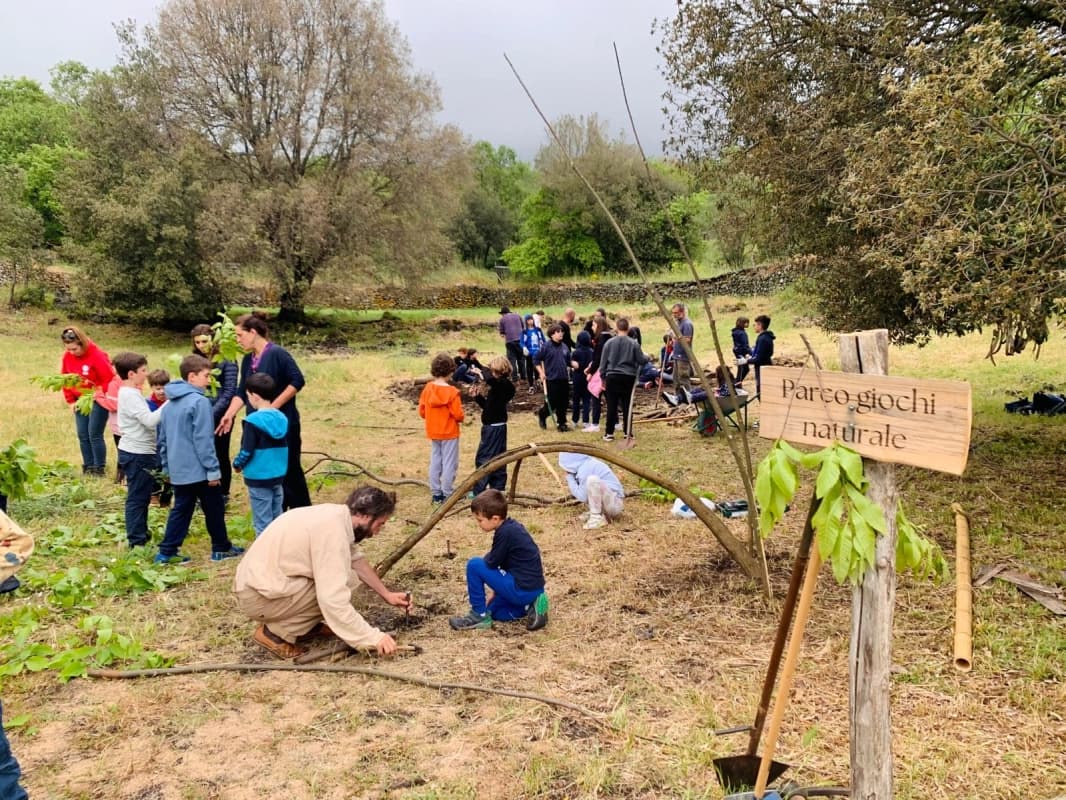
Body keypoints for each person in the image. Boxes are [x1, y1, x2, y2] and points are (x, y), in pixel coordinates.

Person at [233, 485, 412, 659]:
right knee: (339, 584)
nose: (378, 532)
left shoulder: (335, 515)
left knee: (348, 576)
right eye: (380, 524)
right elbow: (332, 599)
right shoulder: (332, 532)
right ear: (365, 516)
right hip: (259, 597)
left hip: (265, 585)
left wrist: (386, 594)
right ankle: (276, 633)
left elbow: (355, 559)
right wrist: (372, 637)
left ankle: (305, 626)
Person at [156, 354, 244, 564]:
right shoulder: (200, 402)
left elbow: (163, 441)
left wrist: (167, 468)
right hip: (200, 470)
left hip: (180, 470)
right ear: (192, 376)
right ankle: (220, 548)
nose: (209, 380)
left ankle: (167, 551)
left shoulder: (168, 405)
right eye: (206, 375)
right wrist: (213, 470)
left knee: (182, 508)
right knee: (213, 507)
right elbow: (204, 440)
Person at [219, 313, 311, 510]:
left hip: (282, 422)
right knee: (268, 469)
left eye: (239, 335)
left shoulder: (277, 353)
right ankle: (278, 515)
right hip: (257, 426)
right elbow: (242, 390)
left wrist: (270, 409)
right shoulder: (247, 360)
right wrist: (229, 414)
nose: (237, 340)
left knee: (289, 469)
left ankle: (301, 513)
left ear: (253, 332)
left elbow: (297, 381)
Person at [448, 489, 548, 631]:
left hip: (521, 588)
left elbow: (491, 562)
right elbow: (504, 562)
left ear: (495, 518)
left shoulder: (504, 533)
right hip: (532, 588)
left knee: (474, 565)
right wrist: (498, 589)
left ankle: (478, 615)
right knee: (495, 612)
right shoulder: (512, 527)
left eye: (480, 520)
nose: (479, 524)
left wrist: (493, 578)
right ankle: (531, 606)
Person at [114, 352, 163, 548]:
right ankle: (136, 540)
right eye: (143, 370)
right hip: (137, 453)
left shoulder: (131, 393)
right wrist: (169, 403)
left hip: (138, 451)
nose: (146, 374)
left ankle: (140, 532)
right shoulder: (130, 395)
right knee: (138, 498)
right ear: (132, 374)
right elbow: (150, 421)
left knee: (141, 496)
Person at [233, 373, 289, 536]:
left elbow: (247, 450)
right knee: (276, 516)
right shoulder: (282, 418)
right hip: (278, 473)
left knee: (262, 521)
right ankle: (279, 549)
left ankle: (264, 557)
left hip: (258, 477)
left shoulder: (252, 421)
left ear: (254, 396)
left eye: (247, 395)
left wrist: (237, 464)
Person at [60, 326, 117, 476]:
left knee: (94, 434)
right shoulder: (67, 357)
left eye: (74, 349)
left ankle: (99, 468)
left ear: (82, 343)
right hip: (80, 400)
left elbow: (109, 379)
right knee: (82, 434)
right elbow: (65, 379)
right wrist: (71, 400)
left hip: (97, 399)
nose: (71, 353)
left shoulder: (97, 356)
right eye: (68, 349)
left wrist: (98, 392)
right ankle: (88, 466)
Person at [191, 323, 239, 503]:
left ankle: (223, 493)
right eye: (197, 342)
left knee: (219, 453)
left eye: (204, 341)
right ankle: (201, 492)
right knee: (199, 452)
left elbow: (229, 392)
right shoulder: (193, 360)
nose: (201, 345)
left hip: (221, 415)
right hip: (197, 412)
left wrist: (211, 414)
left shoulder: (227, 358)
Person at [419, 352, 464, 506]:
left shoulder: (427, 388)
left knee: (435, 461)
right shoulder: (452, 392)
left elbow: (422, 411)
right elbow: (458, 414)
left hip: (434, 431)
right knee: (450, 462)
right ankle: (448, 492)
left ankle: (436, 493)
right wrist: (461, 418)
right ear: (451, 371)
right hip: (449, 432)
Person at [598, 318, 649, 442]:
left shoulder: (609, 343)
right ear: (628, 328)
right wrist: (647, 357)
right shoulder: (634, 344)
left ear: (616, 328)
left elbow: (603, 363)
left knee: (612, 405)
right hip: (628, 377)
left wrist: (602, 377)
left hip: (612, 376)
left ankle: (609, 433)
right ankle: (628, 432)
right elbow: (641, 360)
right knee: (627, 405)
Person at [471, 356, 515, 495]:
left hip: (494, 428)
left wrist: (481, 371)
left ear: (498, 371)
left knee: (484, 458)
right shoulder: (497, 387)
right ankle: (498, 488)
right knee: (498, 457)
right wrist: (477, 397)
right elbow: (489, 407)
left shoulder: (504, 385)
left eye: (492, 371)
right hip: (494, 426)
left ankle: (479, 491)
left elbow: (489, 379)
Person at [559, 452, 625, 531]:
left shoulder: (586, 468)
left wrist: (570, 478)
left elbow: (582, 497)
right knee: (591, 483)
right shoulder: (586, 464)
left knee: (592, 480)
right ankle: (599, 514)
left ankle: (596, 517)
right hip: (609, 502)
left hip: (614, 504)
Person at [535, 324, 571, 432]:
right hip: (552, 379)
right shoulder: (546, 347)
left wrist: (575, 365)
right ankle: (542, 414)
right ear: (552, 334)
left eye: (562, 331)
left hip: (563, 378)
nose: (561, 333)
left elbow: (568, 361)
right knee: (552, 402)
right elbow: (536, 360)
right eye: (558, 332)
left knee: (564, 402)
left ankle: (562, 423)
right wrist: (541, 373)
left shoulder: (564, 347)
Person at [670, 303, 695, 399]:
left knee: (683, 378)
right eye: (673, 313)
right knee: (676, 379)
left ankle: (689, 397)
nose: (674, 315)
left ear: (682, 312)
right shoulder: (678, 323)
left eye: (676, 313)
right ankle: (678, 397)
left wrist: (676, 337)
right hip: (677, 355)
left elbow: (687, 339)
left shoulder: (687, 324)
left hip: (683, 356)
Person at [571, 330, 595, 430]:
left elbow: (573, 366)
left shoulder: (575, 352)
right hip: (588, 378)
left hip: (577, 378)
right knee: (586, 400)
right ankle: (586, 421)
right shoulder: (592, 352)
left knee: (576, 399)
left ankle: (575, 420)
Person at [497, 306, 525, 384]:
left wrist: (505, 335)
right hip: (520, 340)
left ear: (503, 313)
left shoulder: (502, 319)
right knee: (521, 359)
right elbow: (523, 328)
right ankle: (523, 377)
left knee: (512, 360)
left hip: (510, 342)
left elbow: (502, 334)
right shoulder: (518, 316)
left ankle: (515, 378)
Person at [750, 314, 776, 395]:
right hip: (764, 367)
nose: (754, 326)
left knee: (761, 393)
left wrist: (746, 361)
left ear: (760, 325)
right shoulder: (765, 337)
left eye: (755, 324)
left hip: (763, 369)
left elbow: (759, 359)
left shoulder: (763, 339)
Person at [520, 314, 546, 393]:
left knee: (537, 368)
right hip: (529, 353)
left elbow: (543, 339)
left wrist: (544, 346)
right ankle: (531, 385)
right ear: (526, 322)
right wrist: (524, 347)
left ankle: (538, 381)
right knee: (529, 368)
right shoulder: (525, 332)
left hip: (538, 352)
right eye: (528, 320)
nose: (530, 321)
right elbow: (522, 341)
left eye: (531, 319)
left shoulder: (538, 330)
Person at [732, 316, 753, 385]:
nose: (747, 324)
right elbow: (745, 345)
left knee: (744, 368)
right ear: (742, 323)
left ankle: (737, 382)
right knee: (742, 369)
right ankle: (737, 383)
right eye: (746, 322)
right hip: (742, 352)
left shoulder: (735, 332)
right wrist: (751, 352)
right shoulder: (742, 333)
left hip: (737, 351)